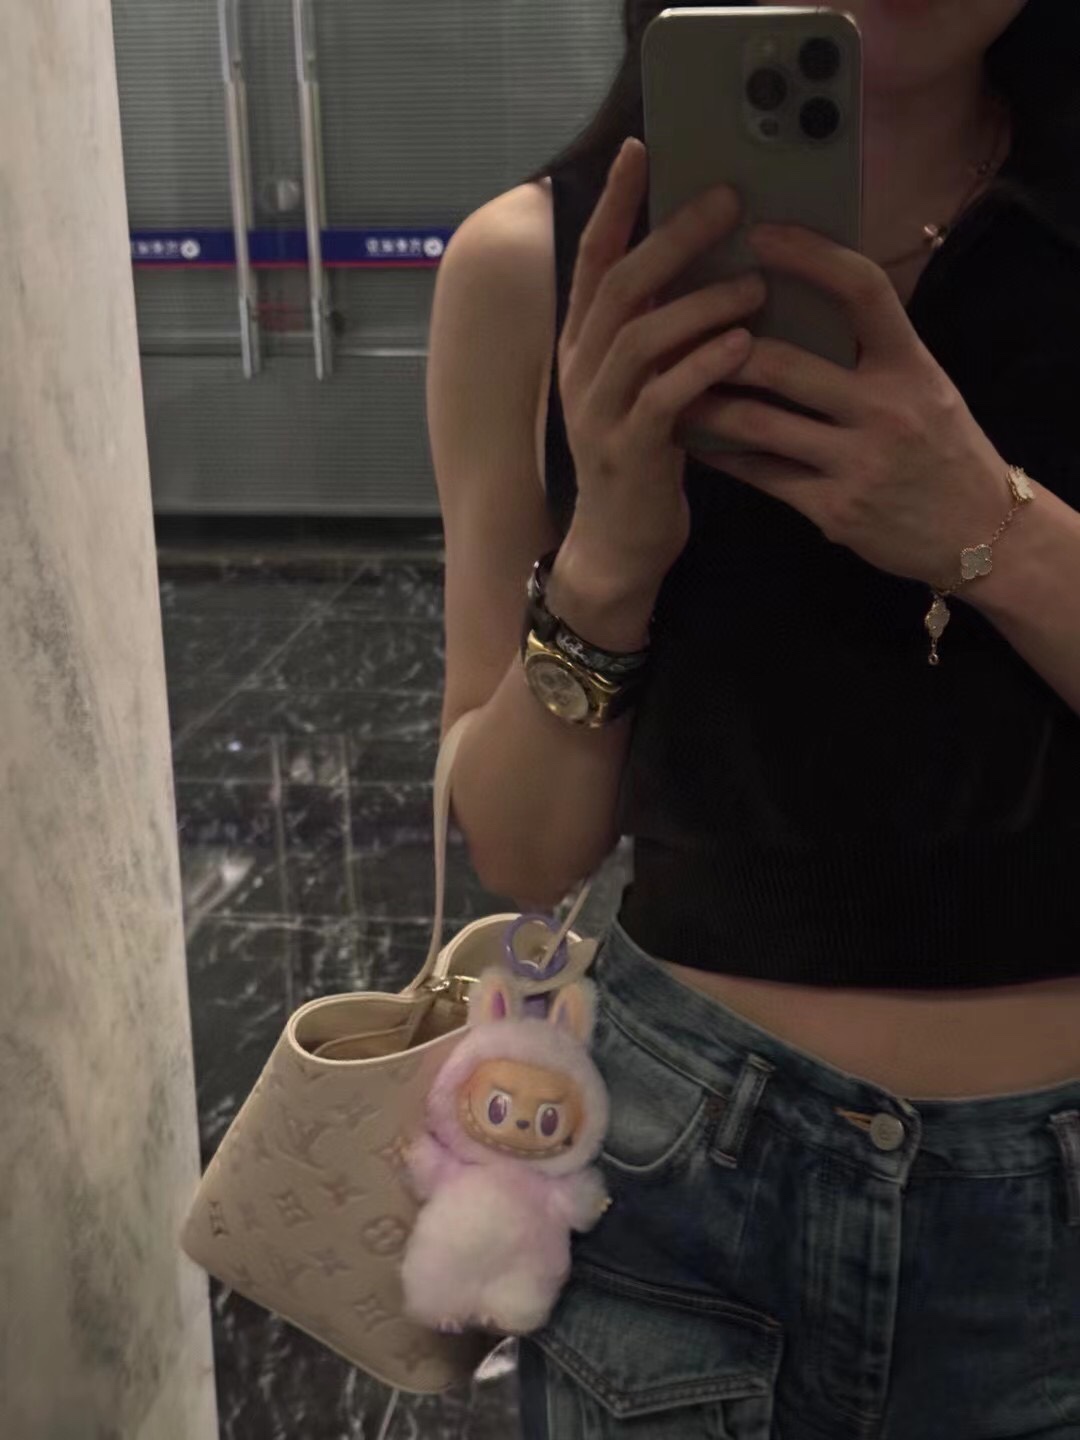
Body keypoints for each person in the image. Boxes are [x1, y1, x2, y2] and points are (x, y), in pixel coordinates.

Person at [428, 0, 1080, 1433]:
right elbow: (524, 848)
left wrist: (990, 528)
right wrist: (608, 558)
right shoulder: (532, 269)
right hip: (676, 1202)